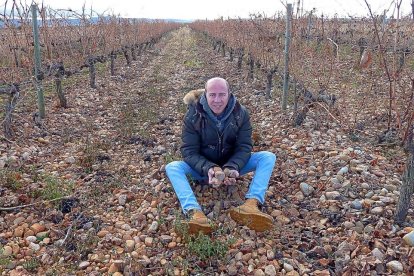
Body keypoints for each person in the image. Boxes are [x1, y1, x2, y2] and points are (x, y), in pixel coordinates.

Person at [165, 77, 276, 235]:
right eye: (212, 95)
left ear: (229, 94)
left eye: (222, 94)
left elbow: (244, 147)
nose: (217, 100)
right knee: (173, 167)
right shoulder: (192, 115)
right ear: (205, 95)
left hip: (231, 164)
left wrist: (232, 167)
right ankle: (194, 213)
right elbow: (189, 151)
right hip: (203, 169)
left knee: (267, 156)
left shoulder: (241, 113)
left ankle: (251, 204)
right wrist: (210, 168)